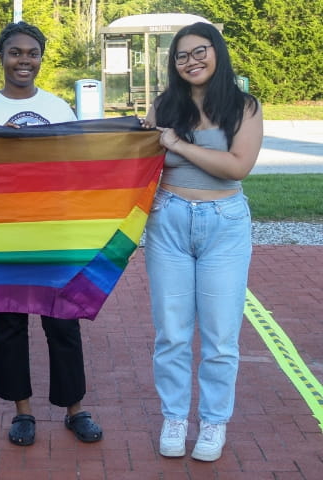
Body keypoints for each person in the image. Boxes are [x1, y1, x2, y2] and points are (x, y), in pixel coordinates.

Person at [0, 21, 103, 447]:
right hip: (3, 233)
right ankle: (21, 412)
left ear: (41, 58)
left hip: (53, 231)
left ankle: (74, 409)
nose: (24, 60)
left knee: (62, 322)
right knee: (10, 322)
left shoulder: (60, 108)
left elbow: (78, 166)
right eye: (15, 53)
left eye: (32, 53)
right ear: (1, 57)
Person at [142, 22, 263, 462]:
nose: (191, 61)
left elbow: (237, 167)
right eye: (181, 56)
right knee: (171, 333)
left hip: (224, 222)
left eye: (199, 52)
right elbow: (144, 163)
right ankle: (175, 417)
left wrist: (179, 143)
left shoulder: (244, 107)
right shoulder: (164, 105)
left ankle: (213, 423)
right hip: (168, 222)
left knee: (220, 336)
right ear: (173, 64)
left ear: (217, 53)